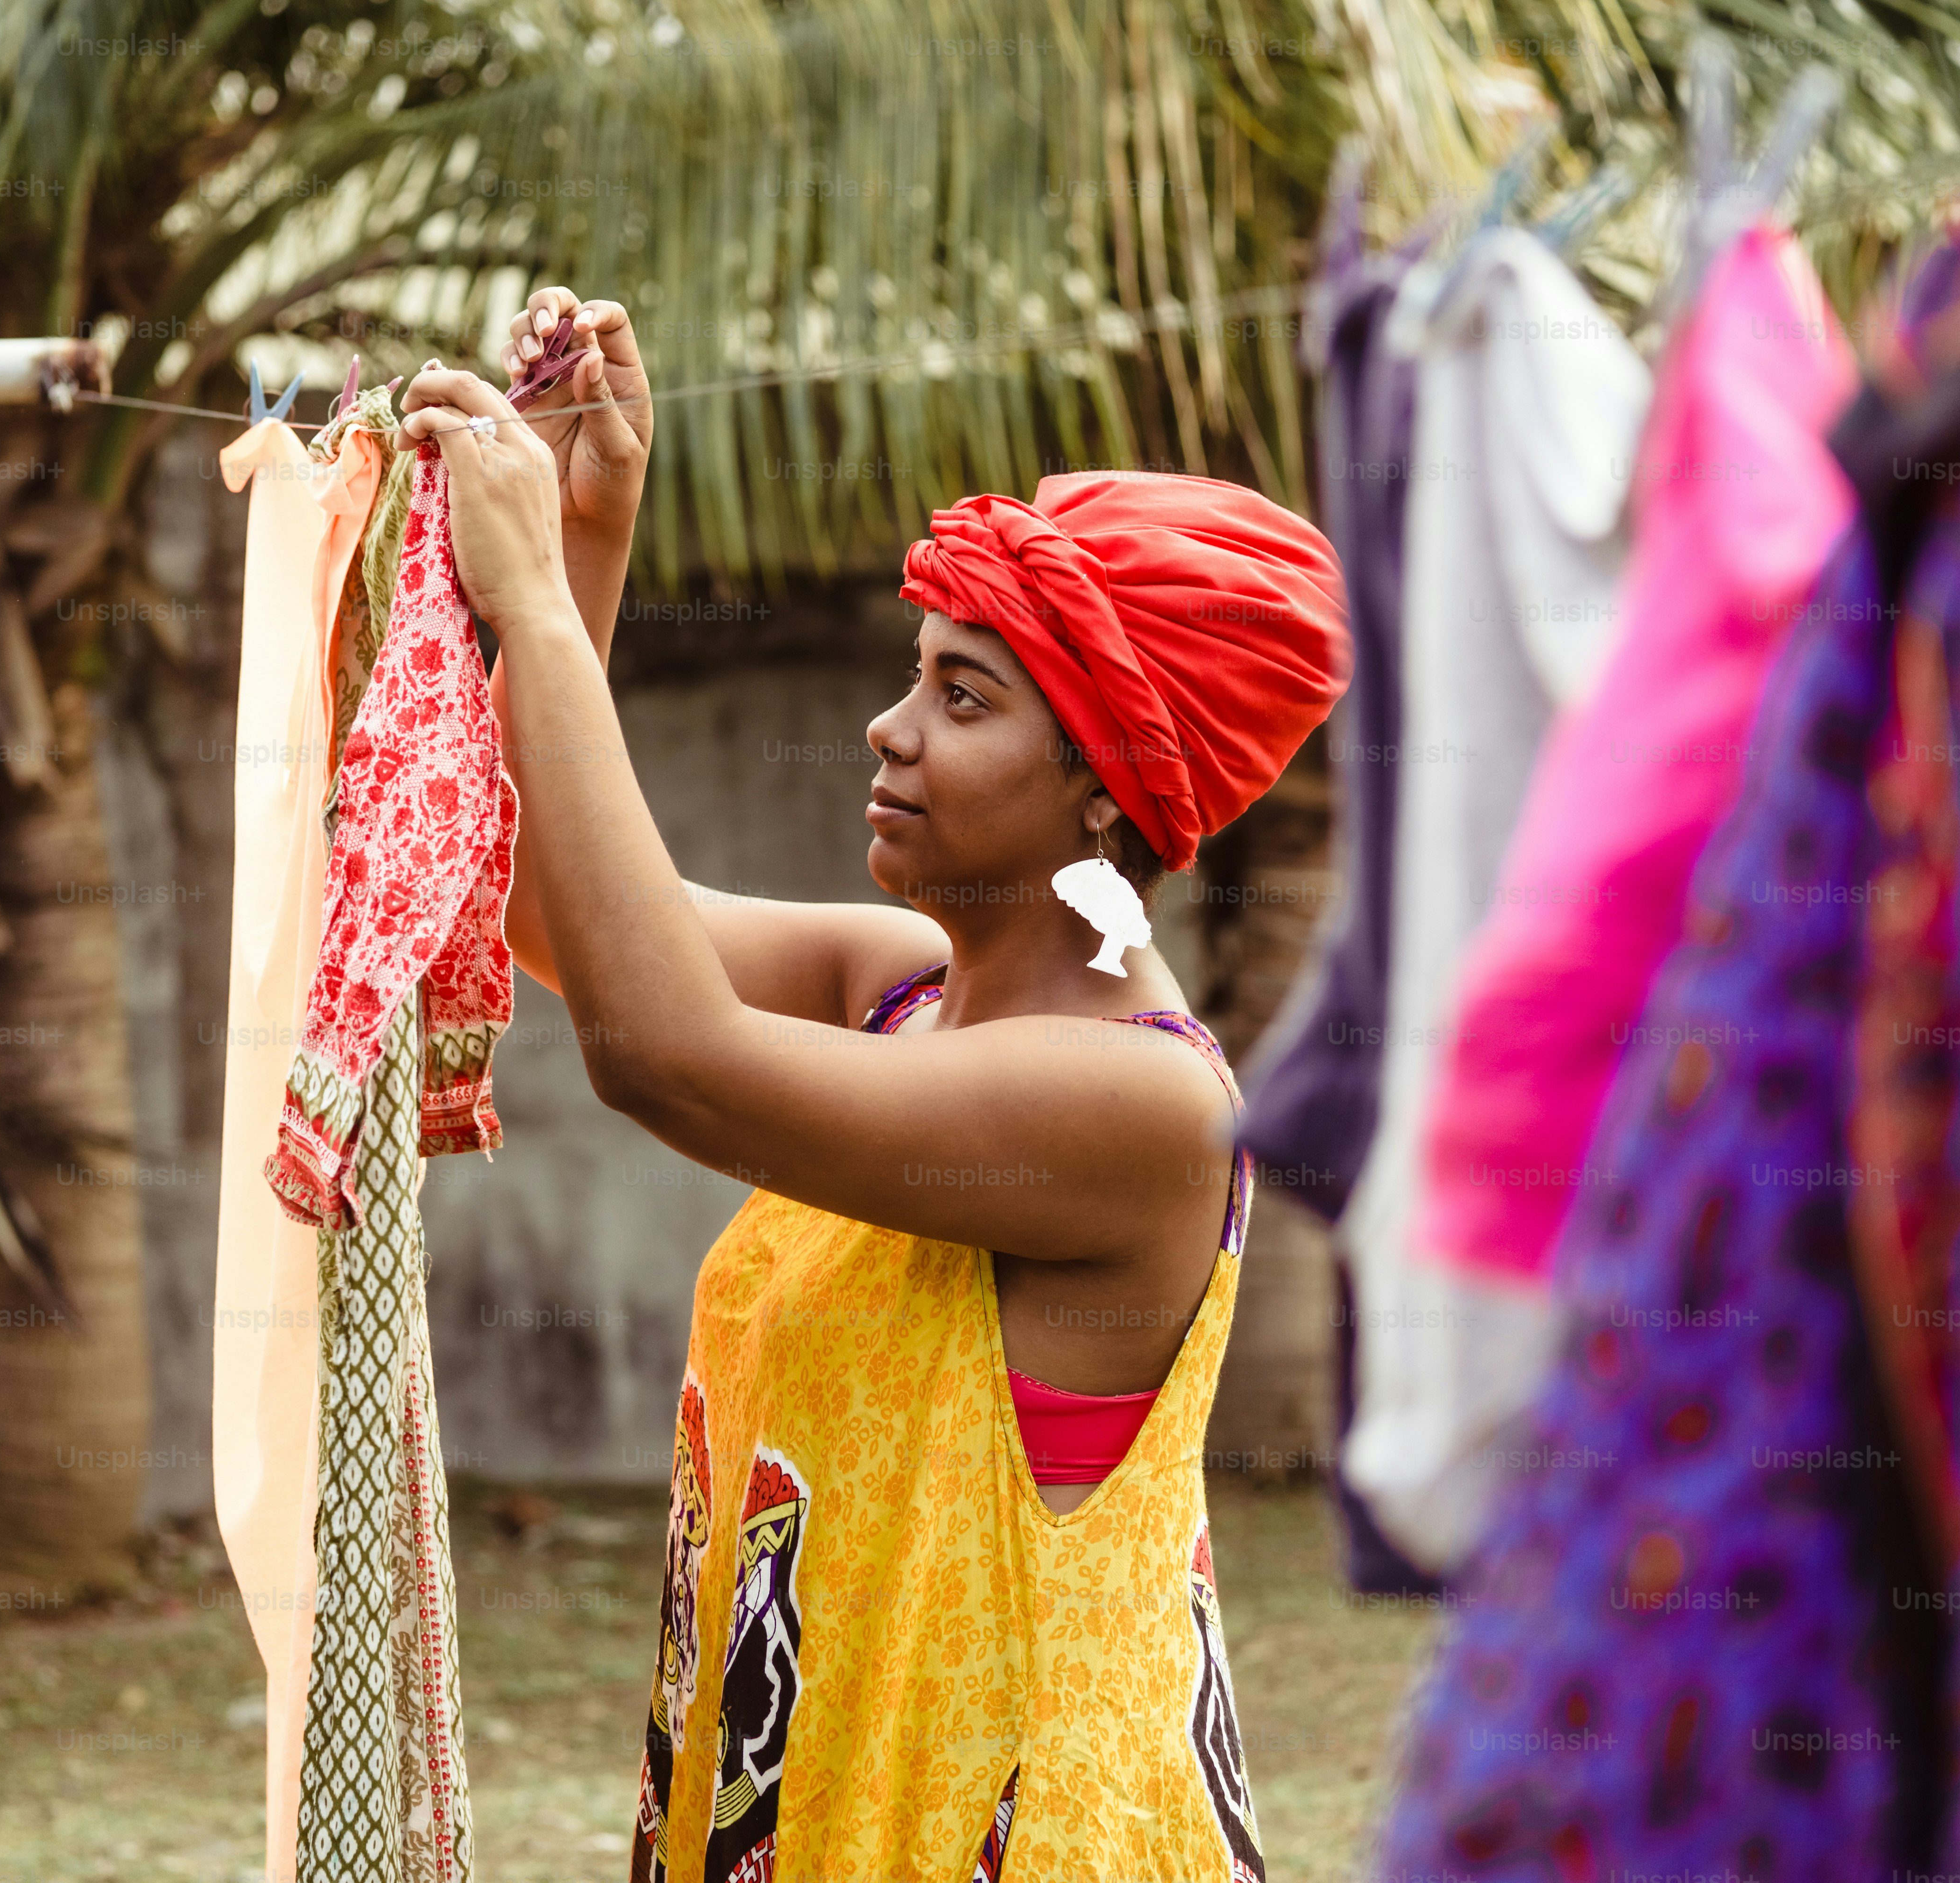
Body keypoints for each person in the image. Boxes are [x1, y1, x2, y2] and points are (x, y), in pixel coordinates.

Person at [396, 288, 1348, 1882]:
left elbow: (662, 1055)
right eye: (919, 675)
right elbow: (532, 913)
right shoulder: (897, 985)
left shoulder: (1141, 1109)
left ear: (1107, 798)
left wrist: (540, 619)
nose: (888, 731)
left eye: (964, 702)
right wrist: (589, 536)